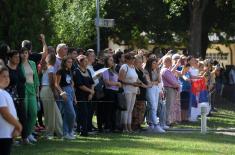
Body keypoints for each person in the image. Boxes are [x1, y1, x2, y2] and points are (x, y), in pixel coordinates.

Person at [0, 65, 22, 155]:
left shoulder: (4, 93)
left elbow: (11, 113)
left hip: (7, 135)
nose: (7, 79)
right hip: (2, 135)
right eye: (3, 76)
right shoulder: (0, 94)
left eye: (8, 76)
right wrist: (18, 126)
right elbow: (5, 113)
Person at [6, 50, 27, 143]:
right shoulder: (6, 69)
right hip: (10, 98)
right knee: (12, 118)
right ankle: (12, 139)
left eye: (18, 56)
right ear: (10, 58)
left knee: (23, 117)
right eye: (15, 57)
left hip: (21, 97)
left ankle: (24, 138)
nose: (18, 58)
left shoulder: (19, 68)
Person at [19, 47, 40, 143]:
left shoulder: (32, 63)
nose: (24, 54)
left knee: (34, 113)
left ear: (28, 54)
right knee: (25, 114)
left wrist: (37, 90)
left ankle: (28, 133)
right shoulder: (18, 65)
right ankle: (25, 136)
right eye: (22, 53)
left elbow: (36, 77)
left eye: (26, 53)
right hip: (23, 89)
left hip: (32, 89)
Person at [40, 53, 63, 139]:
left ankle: (59, 133)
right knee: (50, 114)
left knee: (55, 113)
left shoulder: (46, 68)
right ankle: (49, 133)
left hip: (45, 90)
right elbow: (51, 82)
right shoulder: (51, 68)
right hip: (48, 90)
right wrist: (55, 92)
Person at [73, 55, 95, 136]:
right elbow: (80, 85)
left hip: (89, 95)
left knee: (88, 112)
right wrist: (90, 91)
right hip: (80, 95)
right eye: (85, 61)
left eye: (87, 61)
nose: (87, 62)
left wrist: (91, 92)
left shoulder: (88, 71)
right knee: (83, 112)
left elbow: (91, 82)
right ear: (80, 62)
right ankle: (82, 130)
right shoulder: (76, 71)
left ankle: (86, 129)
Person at [55, 56, 76, 140]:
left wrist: (74, 96)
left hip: (71, 91)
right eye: (68, 62)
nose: (70, 63)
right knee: (72, 114)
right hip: (64, 92)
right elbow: (56, 84)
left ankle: (67, 133)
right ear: (64, 62)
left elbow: (71, 83)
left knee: (67, 114)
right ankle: (68, 132)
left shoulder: (70, 71)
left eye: (71, 62)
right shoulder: (60, 71)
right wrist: (61, 92)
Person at [119, 53, 139, 132]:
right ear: (126, 59)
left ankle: (129, 127)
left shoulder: (133, 67)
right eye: (131, 58)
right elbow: (121, 80)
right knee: (126, 109)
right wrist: (131, 83)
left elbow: (136, 79)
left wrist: (139, 84)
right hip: (127, 90)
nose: (132, 60)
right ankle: (125, 127)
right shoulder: (124, 67)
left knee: (130, 109)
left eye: (133, 58)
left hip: (134, 90)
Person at [145, 58, 165, 133]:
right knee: (152, 106)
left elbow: (159, 81)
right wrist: (154, 82)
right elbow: (149, 82)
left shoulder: (156, 70)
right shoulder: (146, 71)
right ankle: (155, 124)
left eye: (156, 63)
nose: (156, 65)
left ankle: (151, 124)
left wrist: (158, 71)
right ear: (150, 63)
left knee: (155, 107)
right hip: (150, 89)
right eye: (154, 63)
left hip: (156, 88)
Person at [102, 56, 122, 132]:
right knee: (109, 110)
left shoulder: (113, 70)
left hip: (115, 92)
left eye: (113, 60)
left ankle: (113, 127)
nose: (112, 61)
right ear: (106, 61)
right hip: (109, 92)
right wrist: (117, 83)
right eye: (110, 60)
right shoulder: (105, 70)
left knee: (114, 110)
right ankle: (107, 126)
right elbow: (107, 82)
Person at [160, 56, 180, 125]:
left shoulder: (167, 70)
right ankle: (166, 121)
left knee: (170, 106)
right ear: (165, 62)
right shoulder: (165, 70)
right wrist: (177, 85)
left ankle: (168, 121)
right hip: (169, 89)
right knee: (168, 106)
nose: (171, 63)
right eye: (170, 61)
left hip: (171, 89)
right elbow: (172, 81)